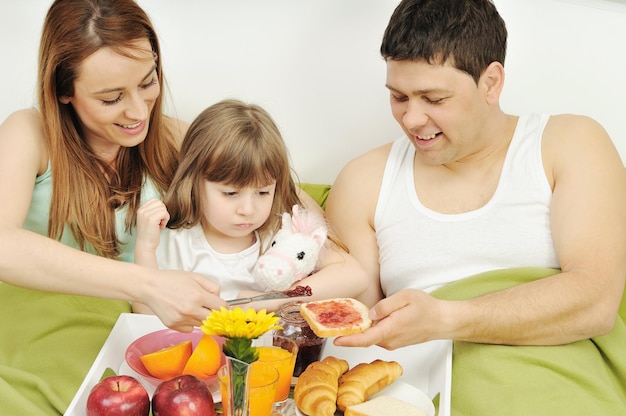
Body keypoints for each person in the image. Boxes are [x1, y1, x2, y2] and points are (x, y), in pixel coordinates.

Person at [326, 0, 626, 413]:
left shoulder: (568, 143)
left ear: (491, 82)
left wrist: (446, 319)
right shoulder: (363, 181)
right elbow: (357, 325)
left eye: (433, 98)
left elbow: (596, 300)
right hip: (416, 394)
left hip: (553, 385)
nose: (412, 119)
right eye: (398, 97)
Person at [0, 0, 228, 414]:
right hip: (32, 343)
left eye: (148, 82)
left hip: (136, 356)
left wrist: (343, 261)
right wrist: (146, 284)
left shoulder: (175, 139)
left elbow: (282, 194)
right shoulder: (28, 133)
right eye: (110, 98)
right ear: (63, 91)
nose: (139, 111)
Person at [133, 99, 368, 313]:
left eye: (263, 192)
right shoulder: (180, 243)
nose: (248, 209)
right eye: (231, 193)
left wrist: (275, 299)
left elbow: (355, 276)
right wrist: (144, 247)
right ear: (194, 182)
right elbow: (145, 314)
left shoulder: (280, 232)